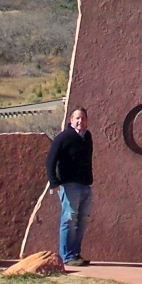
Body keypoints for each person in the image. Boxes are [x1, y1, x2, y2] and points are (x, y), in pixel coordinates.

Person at [46, 107, 93, 266]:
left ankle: (75, 254)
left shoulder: (87, 137)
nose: (80, 121)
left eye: (83, 118)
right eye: (77, 118)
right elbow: (50, 160)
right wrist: (54, 182)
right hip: (69, 185)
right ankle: (66, 256)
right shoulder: (63, 137)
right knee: (69, 219)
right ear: (71, 120)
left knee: (82, 221)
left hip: (85, 185)